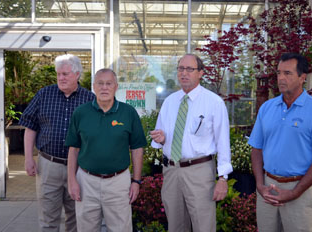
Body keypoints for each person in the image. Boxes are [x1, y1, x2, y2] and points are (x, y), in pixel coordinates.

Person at [248, 53, 312, 232]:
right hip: (268, 188)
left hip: (301, 190)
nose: (281, 78)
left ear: (302, 77)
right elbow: (256, 149)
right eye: (279, 73)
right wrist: (260, 184)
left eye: (288, 73)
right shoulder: (267, 108)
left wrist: (294, 192)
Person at [150, 54, 232, 232]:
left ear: (201, 73)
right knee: (176, 226)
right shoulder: (170, 102)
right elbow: (162, 138)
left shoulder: (214, 103)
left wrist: (223, 178)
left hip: (199, 173)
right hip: (172, 171)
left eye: (190, 69)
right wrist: (162, 139)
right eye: (181, 69)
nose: (184, 73)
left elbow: (223, 143)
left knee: (203, 226)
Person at [19, 54, 95, 232]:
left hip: (78, 168)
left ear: (77, 74)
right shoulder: (44, 94)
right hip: (48, 165)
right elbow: (30, 127)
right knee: (48, 219)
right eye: (58, 74)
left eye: (65, 74)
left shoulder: (90, 99)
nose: (61, 78)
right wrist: (28, 158)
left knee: (75, 218)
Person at [65, 68, 147, 232]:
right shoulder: (81, 113)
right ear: (94, 87)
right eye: (100, 84)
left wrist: (136, 181)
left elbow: (137, 149)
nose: (104, 88)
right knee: (86, 228)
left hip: (118, 182)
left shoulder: (128, 112)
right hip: (86, 181)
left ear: (116, 87)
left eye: (109, 83)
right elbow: (73, 149)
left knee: (121, 228)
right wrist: (72, 180)